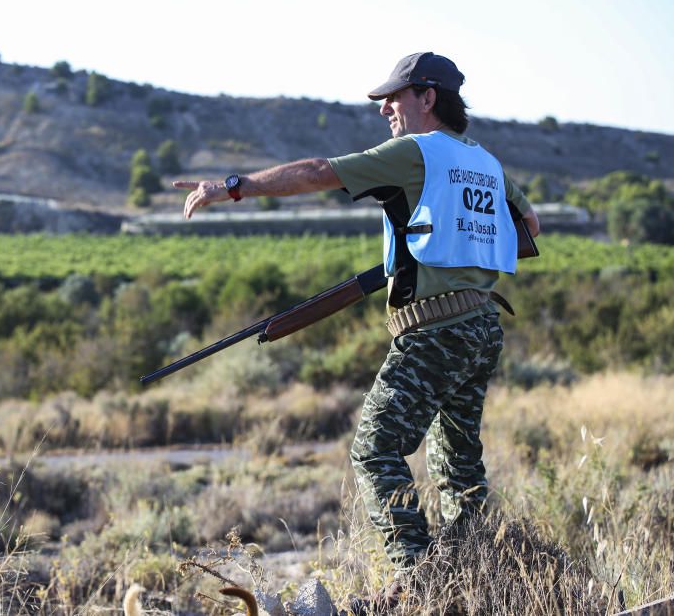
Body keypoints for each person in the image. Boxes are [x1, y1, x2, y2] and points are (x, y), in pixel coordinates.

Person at [173, 52, 540, 573]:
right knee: (458, 465)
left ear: (427, 98)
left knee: (374, 450)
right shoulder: (485, 161)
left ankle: (417, 578)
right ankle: (474, 567)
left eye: (393, 97)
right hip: (482, 325)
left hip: (434, 331)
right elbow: (530, 222)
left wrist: (234, 186)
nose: (384, 108)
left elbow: (321, 172)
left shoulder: (414, 152)